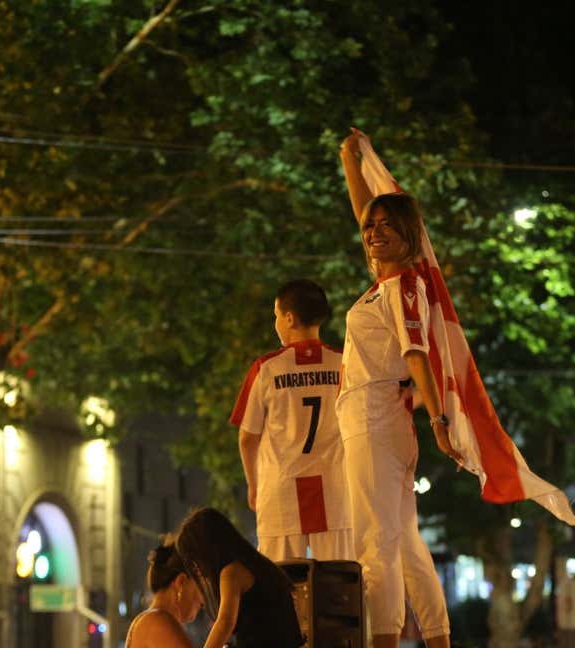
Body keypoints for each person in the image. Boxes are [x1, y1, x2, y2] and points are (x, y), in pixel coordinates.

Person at [338, 127, 462, 648]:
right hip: (377, 420)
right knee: (405, 543)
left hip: (376, 418)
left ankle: (383, 640)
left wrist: (440, 421)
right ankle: (438, 639)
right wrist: (351, 161)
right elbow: (366, 214)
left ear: (410, 236)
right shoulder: (386, 282)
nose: (374, 233)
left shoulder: (404, 286)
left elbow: (418, 356)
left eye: (389, 227)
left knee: (376, 545)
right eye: (372, 228)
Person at [232, 278, 352, 561]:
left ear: (289, 318)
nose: (276, 324)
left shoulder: (267, 368)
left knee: (279, 588)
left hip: (280, 493)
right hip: (336, 492)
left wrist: (254, 485)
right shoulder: (345, 363)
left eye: (276, 316)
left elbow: (248, 437)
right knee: (340, 585)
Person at [174, 507, 303, 648]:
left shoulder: (231, 573)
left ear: (207, 550)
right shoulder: (254, 564)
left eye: (195, 560)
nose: (196, 569)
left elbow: (225, 622)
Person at [124, 540, 204, 648]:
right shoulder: (157, 621)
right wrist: (225, 622)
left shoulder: (152, 619)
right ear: (181, 582)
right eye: (200, 587)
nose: (203, 600)